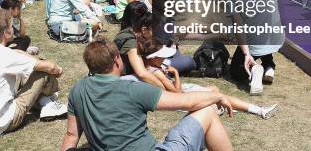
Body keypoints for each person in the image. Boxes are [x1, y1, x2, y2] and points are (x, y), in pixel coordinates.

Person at [61, 38, 234, 151]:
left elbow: (71, 136)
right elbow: (187, 102)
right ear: (116, 60)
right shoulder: (132, 89)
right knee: (208, 113)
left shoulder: (78, 89)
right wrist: (217, 96)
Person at [0, 8, 67, 136]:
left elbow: (16, 55)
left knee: (28, 68)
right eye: (11, 26)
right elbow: (50, 68)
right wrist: (59, 70)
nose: (13, 28)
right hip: (2, 122)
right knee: (43, 73)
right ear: (6, 32)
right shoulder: (6, 55)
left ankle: (44, 101)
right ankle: (48, 102)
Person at [140, 40, 278, 119]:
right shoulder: (157, 73)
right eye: (162, 57)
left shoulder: (150, 68)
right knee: (218, 96)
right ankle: (260, 110)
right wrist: (175, 73)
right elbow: (175, 92)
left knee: (215, 90)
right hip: (180, 96)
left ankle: (232, 107)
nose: (165, 59)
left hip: (183, 91)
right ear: (153, 58)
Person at [225, 0, 284, 95]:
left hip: (256, 39)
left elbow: (238, 27)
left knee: (235, 72)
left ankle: (255, 70)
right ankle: (269, 65)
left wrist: (246, 54)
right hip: (276, 37)